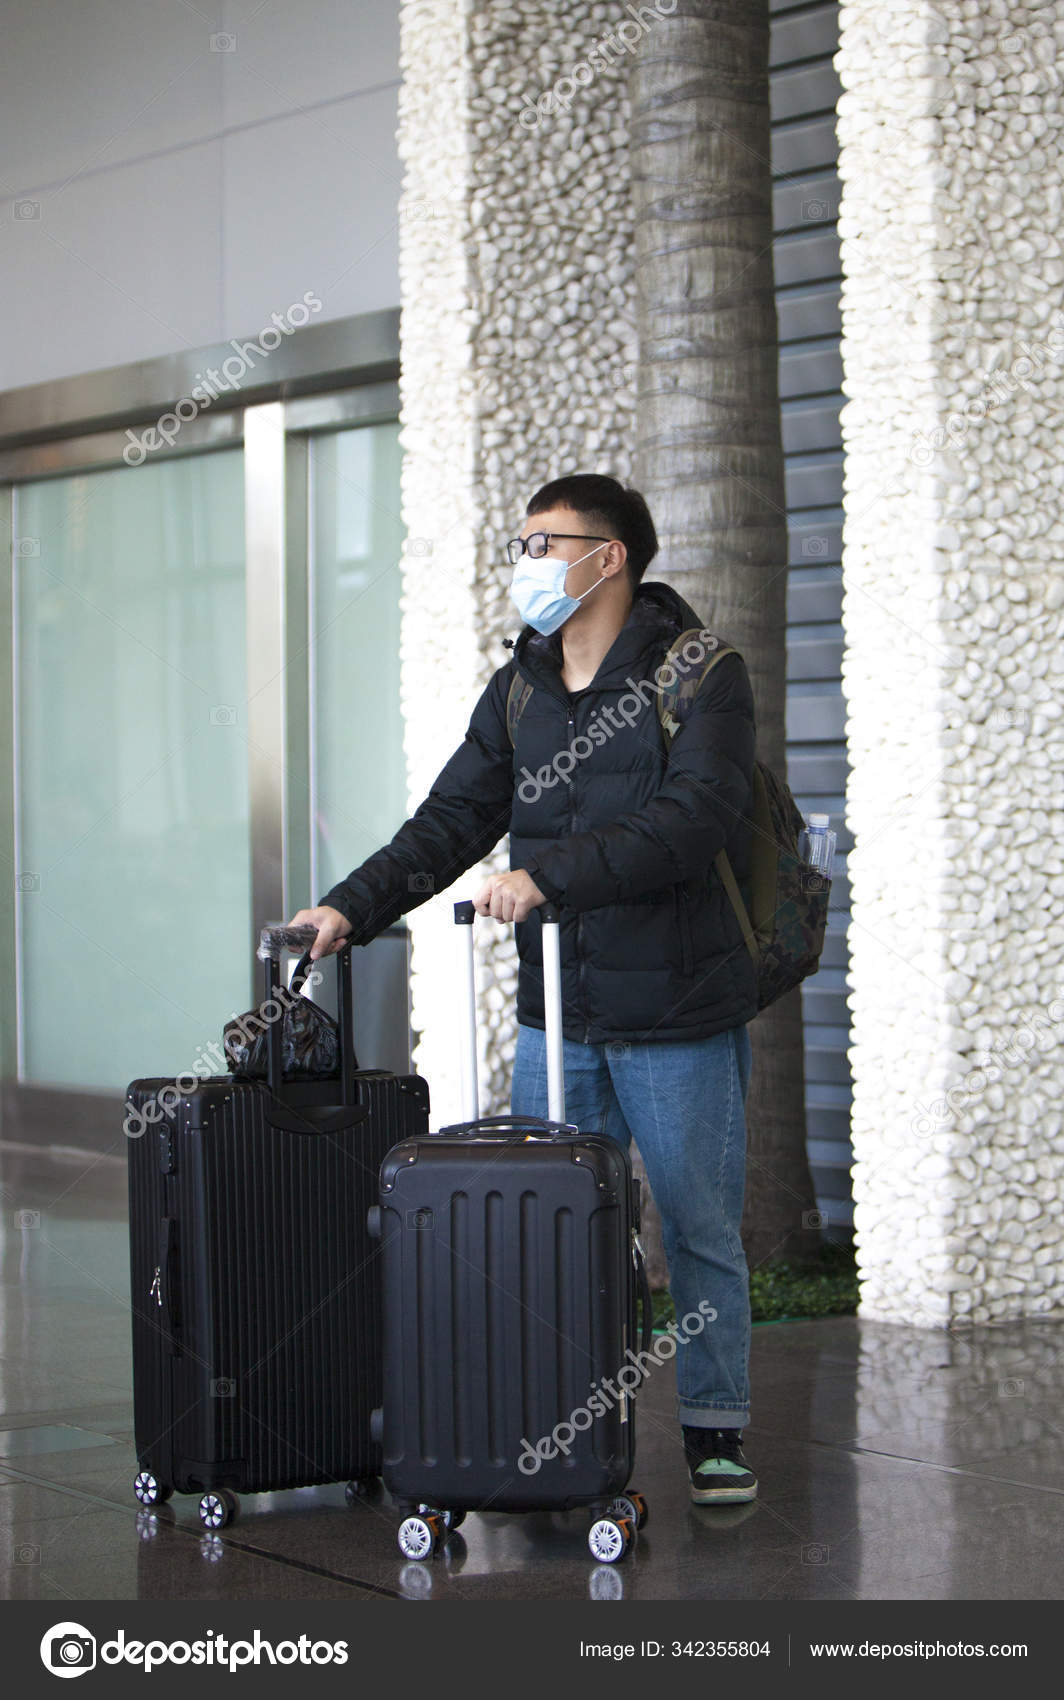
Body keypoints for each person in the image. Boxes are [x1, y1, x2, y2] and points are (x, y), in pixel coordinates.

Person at [289, 472, 760, 1505]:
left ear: (610, 557)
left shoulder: (698, 674)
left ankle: (715, 1428)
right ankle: (568, 1422)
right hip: (560, 1011)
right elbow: (449, 821)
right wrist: (345, 909)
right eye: (524, 540)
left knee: (692, 1226)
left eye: (549, 542)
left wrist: (549, 874)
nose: (530, 561)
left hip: (677, 1011)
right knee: (562, 1221)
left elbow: (695, 820)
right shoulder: (520, 689)